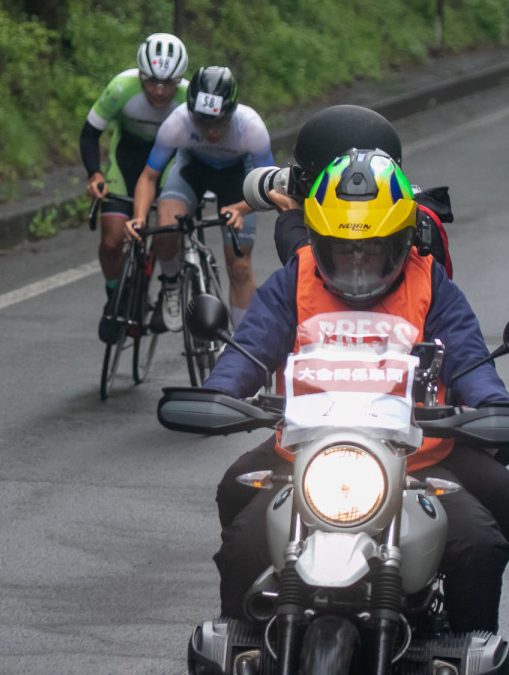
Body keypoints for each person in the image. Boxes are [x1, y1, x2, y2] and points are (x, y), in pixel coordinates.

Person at [204, 150, 509, 633]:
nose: (359, 263)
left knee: (480, 544)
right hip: (304, 453)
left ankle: (465, 649)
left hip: (417, 458)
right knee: (242, 532)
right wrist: (218, 392)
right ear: (318, 239)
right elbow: (250, 348)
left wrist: (492, 405)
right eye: (344, 250)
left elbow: (470, 360)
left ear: (404, 241)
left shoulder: (431, 282)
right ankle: (243, 646)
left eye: (374, 249)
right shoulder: (296, 277)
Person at [125, 66, 273, 331]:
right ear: (191, 112)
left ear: (232, 112)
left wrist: (240, 208)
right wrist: (138, 218)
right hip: (192, 171)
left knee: (239, 268)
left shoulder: (251, 127)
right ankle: (170, 284)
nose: (210, 130)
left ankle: (245, 348)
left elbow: (269, 187)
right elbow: (149, 177)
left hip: (237, 178)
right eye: (201, 121)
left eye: (218, 122)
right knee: (165, 227)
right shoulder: (178, 122)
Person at [79, 32, 189, 342]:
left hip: (169, 164)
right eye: (152, 80)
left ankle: (168, 284)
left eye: (168, 83)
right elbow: (89, 134)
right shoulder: (120, 89)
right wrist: (94, 174)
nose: (159, 90)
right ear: (140, 74)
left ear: (179, 80)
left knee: (167, 228)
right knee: (112, 240)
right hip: (126, 162)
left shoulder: (188, 99)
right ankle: (115, 295)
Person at [263, 104, 453, 276]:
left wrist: (291, 226)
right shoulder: (418, 220)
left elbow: (327, 288)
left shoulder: (400, 243)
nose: (302, 190)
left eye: (311, 180)